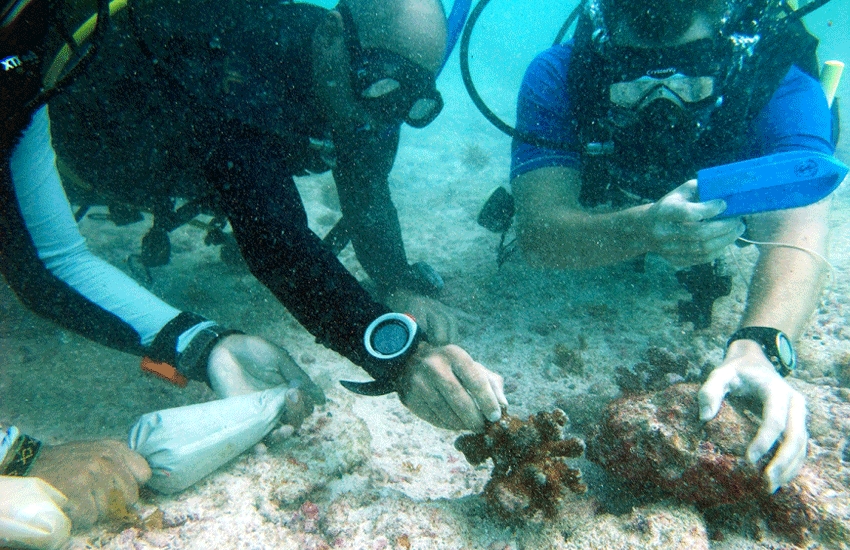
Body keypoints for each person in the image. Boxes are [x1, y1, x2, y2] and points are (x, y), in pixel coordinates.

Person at [1, 0, 506, 536]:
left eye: (411, 97)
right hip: (101, 155)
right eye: (380, 83)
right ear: (334, 35)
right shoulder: (232, 60)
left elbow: (365, 186)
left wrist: (395, 277)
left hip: (195, 170)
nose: (383, 113)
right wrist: (399, 353)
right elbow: (274, 241)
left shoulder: (367, 84)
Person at [510, 0, 838, 493]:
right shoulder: (561, 73)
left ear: (728, 46)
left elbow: (801, 228)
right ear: (605, 43)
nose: (663, 105)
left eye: (691, 79)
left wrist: (762, 346)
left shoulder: (773, 74)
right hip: (617, 200)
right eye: (635, 79)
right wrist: (644, 229)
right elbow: (539, 236)